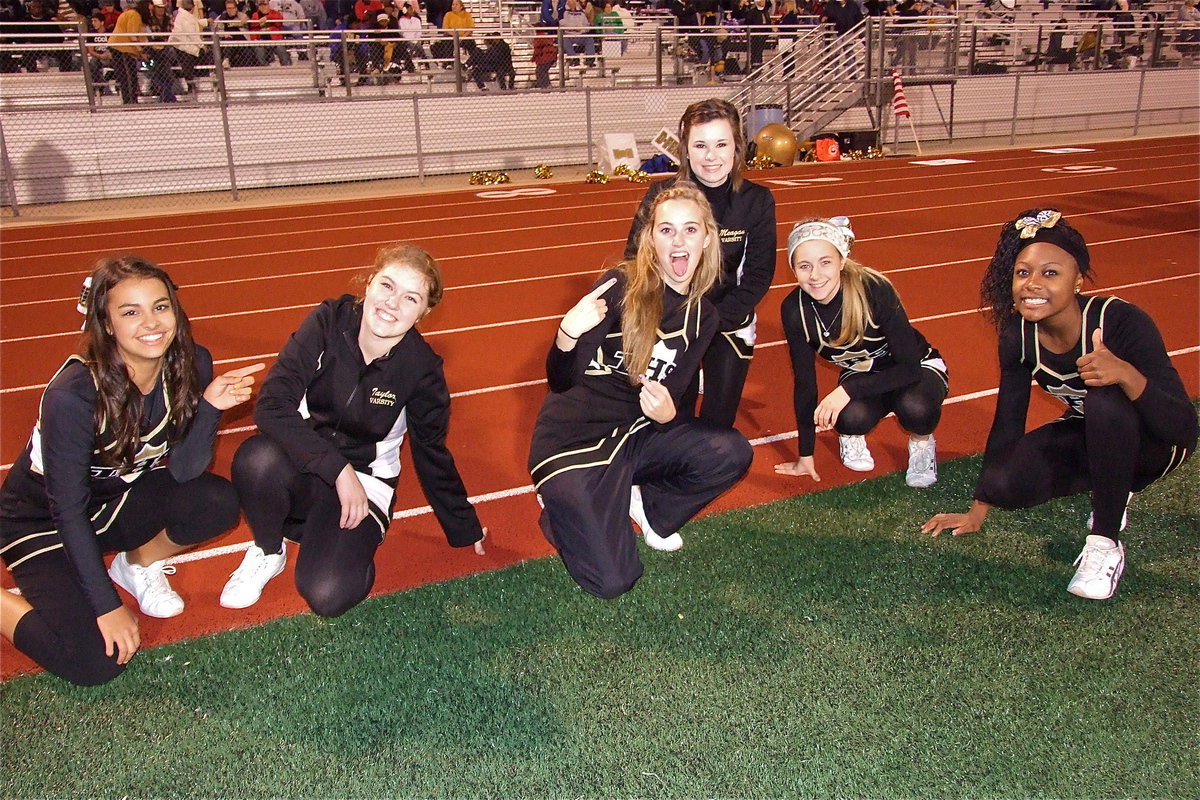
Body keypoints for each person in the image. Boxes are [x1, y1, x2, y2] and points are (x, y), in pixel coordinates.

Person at [0, 256, 263, 686]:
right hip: (41, 522)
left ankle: (134, 565)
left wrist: (210, 409)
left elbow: (183, 471)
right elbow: (66, 508)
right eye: (130, 312)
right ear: (106, 324)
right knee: (95, 663)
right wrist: (105, 605)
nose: (151, 323)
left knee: (215, 502)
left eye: (160, 306)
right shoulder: (74, 396)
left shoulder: (192, 363)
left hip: (112, 503)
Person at [922, 209, 1197, 600]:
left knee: (1103, 397)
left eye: (1050, 273)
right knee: (1007, 484)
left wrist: (1124, 373)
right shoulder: (1017, 334)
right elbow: (1008, 421)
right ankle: (1111, 488)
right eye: (1022, 273)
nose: (1032, 284)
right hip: (1095, 435)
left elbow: (1183, 429)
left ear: (1077, 280)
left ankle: (1105, 543)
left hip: (1157, 446)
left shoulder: (1120, 321)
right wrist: (979, 507)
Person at [220, 243, 487, 616]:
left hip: (367, 480)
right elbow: (271, 406)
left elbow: (431, 450)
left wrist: (463, 525)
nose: (392, 303)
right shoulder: (329, 321)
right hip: (304, 461)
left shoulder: (421, 369)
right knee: (257, 458)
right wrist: (337, 469)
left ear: (425, 312)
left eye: (410, 298)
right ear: (369, 283)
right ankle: (268, 550)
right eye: (387, 286)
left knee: (328, 595)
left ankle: (333, 537)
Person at [530, 184, 754, 598]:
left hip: (636, 436)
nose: (679, 241)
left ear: (707, 237)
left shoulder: (704, 316)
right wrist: (566, 334)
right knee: (614, 581)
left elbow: (672, 398)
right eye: (666, 230)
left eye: (690, 229)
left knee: (732, 451)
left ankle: (648, 506)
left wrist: (670, 416)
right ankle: (562, 508)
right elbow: (560, 381)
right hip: (573, 439)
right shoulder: (620, 284)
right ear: (651, 238)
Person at [624, 98, 778, 430]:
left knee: (717, 423)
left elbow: (758, 275)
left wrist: (710, 322)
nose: (711, 156)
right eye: (700, 145)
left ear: (737, 147)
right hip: (671, 319)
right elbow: (635, 261)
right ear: (687, 150)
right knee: (671, 416)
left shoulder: (757, 201)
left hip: (728, 319)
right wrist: (673, 321)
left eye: (721, 144)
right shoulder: (660, 196)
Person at [774, 216, 947, 489]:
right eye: (804, 266)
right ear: (793, 270)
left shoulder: (874, 289)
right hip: (865, 375)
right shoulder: (794, 309)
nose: (815, 275)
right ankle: (851, 436)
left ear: (841, 261)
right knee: (847, 417)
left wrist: (848, 391)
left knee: (915, 408)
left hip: (916, 368)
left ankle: (922, 444)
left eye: (825, 262)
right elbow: (805, 383)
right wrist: (805, 456)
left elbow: (909, 368)